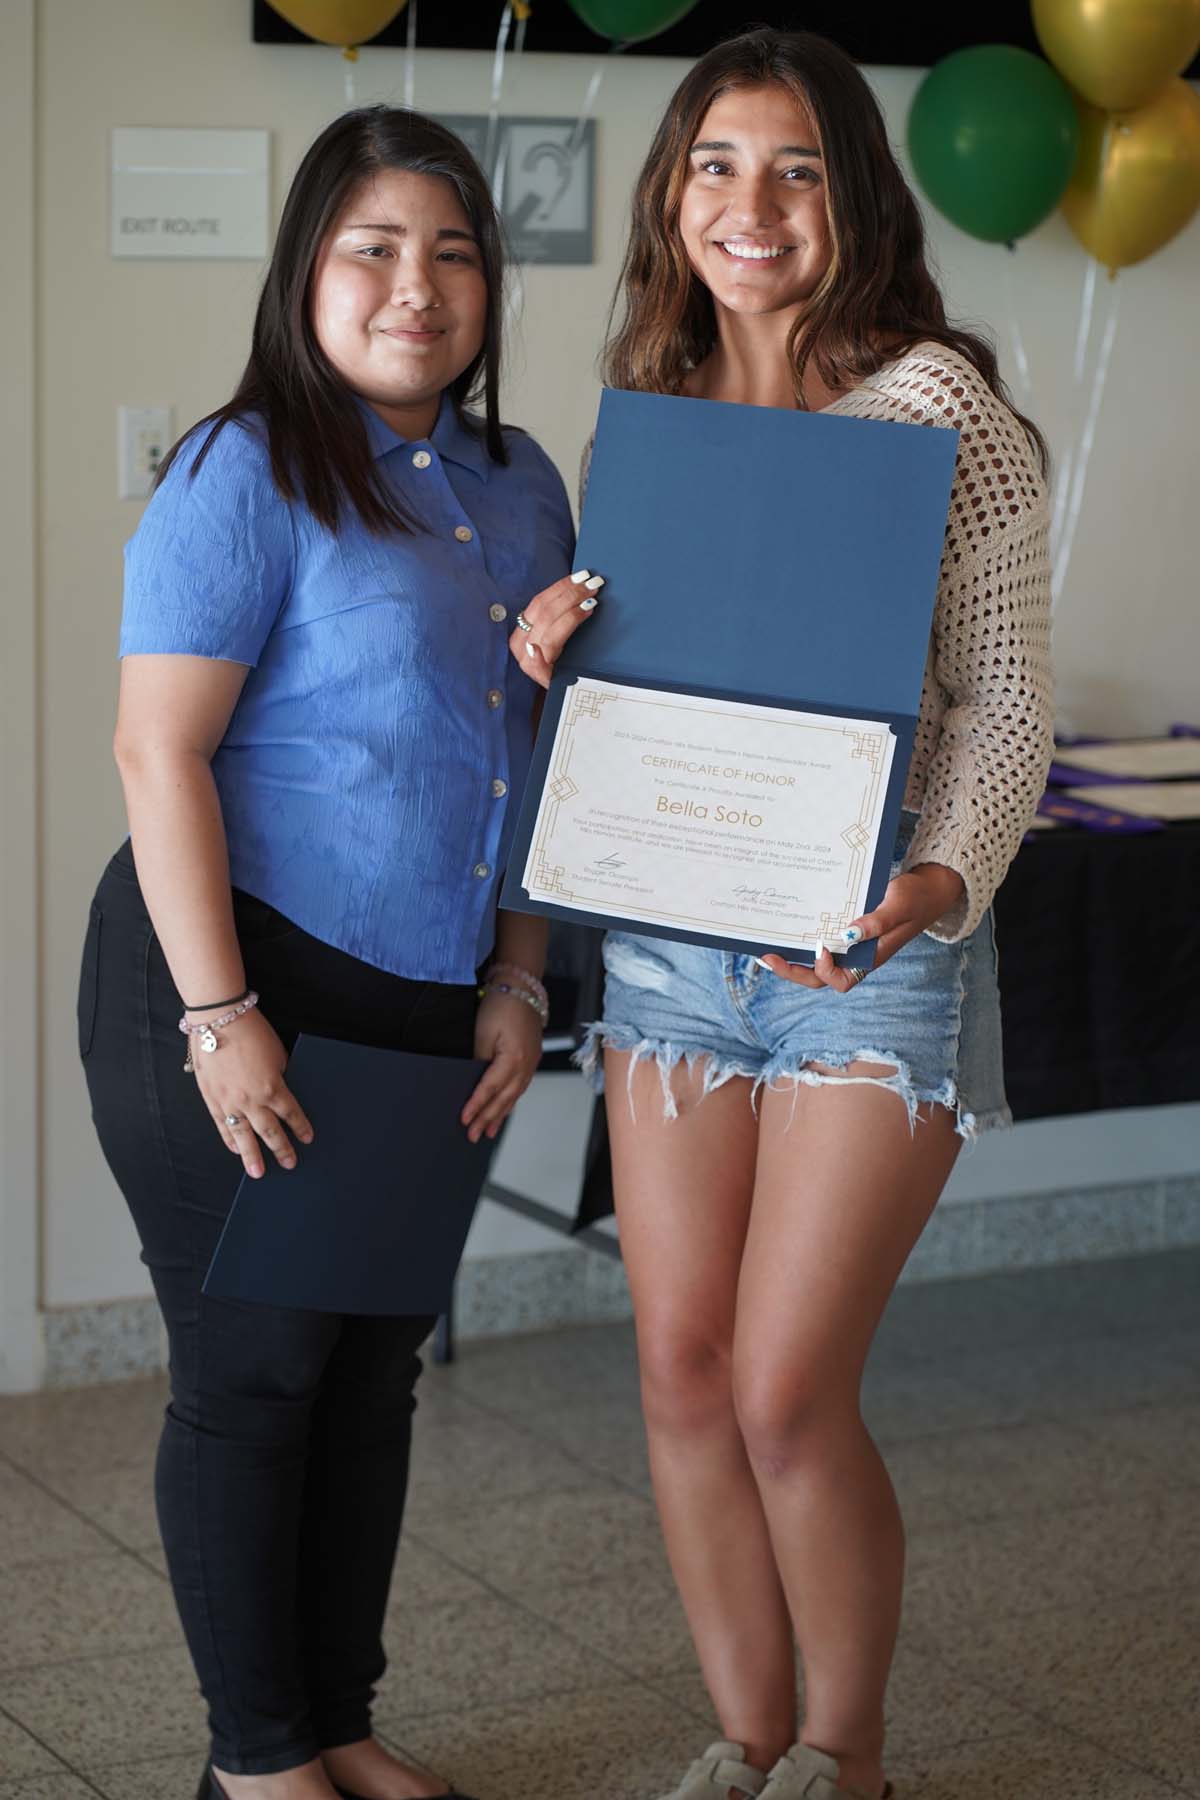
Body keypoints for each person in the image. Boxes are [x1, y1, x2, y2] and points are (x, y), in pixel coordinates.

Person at [511, 29, 1053, 1800]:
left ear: (855, 201)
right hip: (671, 959)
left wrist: (935, 882)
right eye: (721, 166)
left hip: (867, 963)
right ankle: (742, 1747)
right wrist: (550, 664)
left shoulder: (938, 411)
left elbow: (1003, 703)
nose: (756, 205)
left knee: (782, 1389)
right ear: (677, 197)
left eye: (800, 167)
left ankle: (847, 1757)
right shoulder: (645, 425)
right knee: (676, 1372)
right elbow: (640, 715)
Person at [77, 106, 575, 1800]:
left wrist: (519, 978)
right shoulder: (244, 465)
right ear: (306, 268)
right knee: (257, 1378)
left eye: (452, 252)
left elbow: (538, 750)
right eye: (373, 246)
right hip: (231, 982)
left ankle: (339, 1725)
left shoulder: (523, 486)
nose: (416, 286)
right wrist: (224, 1019)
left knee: (369, 1385)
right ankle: (258, 1760)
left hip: (433, 999)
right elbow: (160, 754)